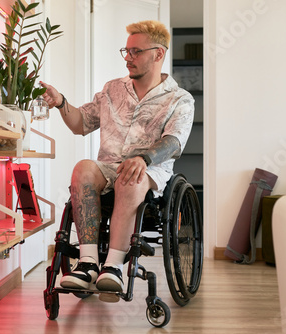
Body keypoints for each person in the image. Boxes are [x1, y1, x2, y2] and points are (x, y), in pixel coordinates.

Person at [40, 20, 195, 293]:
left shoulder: (179, 99)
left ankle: (112, 266)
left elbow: (173, 141)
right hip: (109, 165)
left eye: (135, 52)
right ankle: (88, 263)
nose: (128, 58)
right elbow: (81, 123)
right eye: (126, 51)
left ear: (158, 54)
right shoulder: (112, 89)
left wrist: (144, 159)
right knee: (83, 168)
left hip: (150, 170)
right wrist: (61, 102)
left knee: (131, 177)